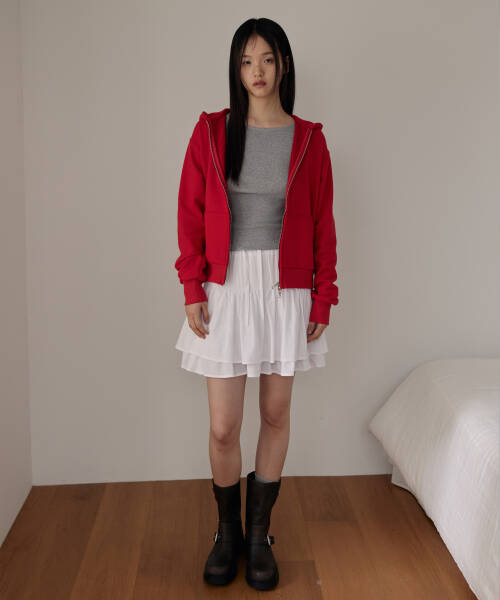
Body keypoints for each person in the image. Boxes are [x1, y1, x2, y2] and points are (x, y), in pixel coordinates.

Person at [174, 17, 339, 591]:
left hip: (285, 289)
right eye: (246, 61)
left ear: (283, 64)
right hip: (225, 286)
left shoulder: (309, 139)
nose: (257, 71)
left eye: (267, 59)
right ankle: (226, 532)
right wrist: (192, 287)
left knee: (274, 414)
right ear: (235, 69)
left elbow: (322, 223)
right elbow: (190, 213)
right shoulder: (212, 132)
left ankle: (257, 536)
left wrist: (324, 294)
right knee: (224, 427)